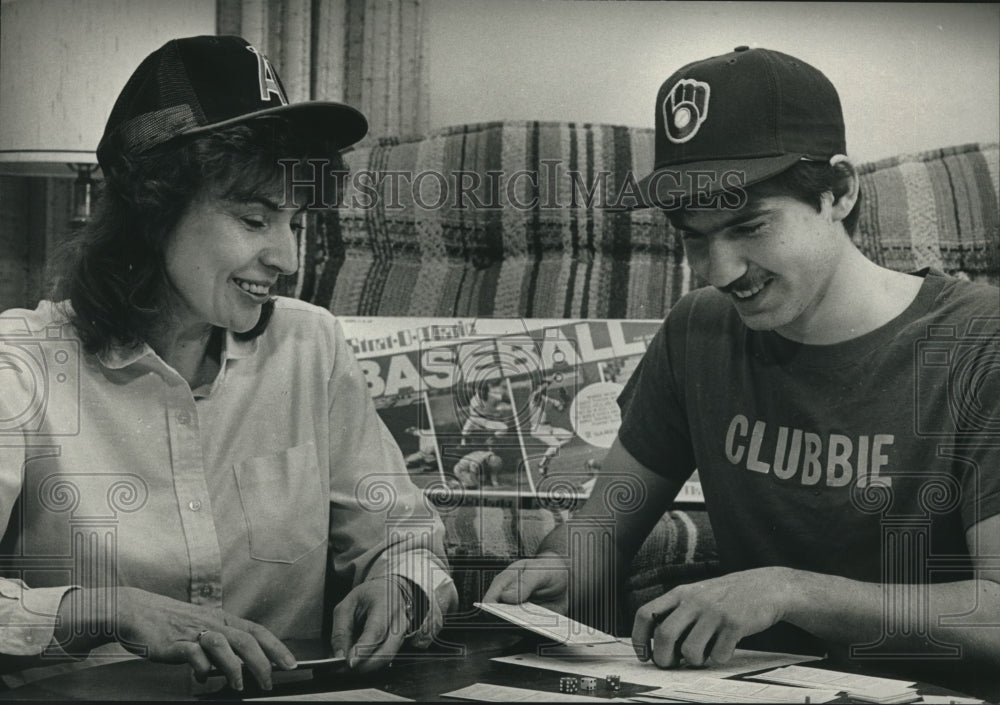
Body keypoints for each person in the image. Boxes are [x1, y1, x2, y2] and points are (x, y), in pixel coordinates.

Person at [485, 46, 1000, 677]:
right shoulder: (697, 329)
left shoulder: (980, 342)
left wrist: (790, 590)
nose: (719, 271)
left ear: (838, 191)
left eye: (750, 227)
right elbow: (603, 528)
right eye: (693, 237)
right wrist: (558, 571)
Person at [0, 35, 457, 692]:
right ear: (152, 211)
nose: (288, 258)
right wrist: (99, 609)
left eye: (292, 221)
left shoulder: (312, 348)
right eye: (253, 218)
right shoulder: (24, 363)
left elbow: (406, 535)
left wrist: (400, 585)